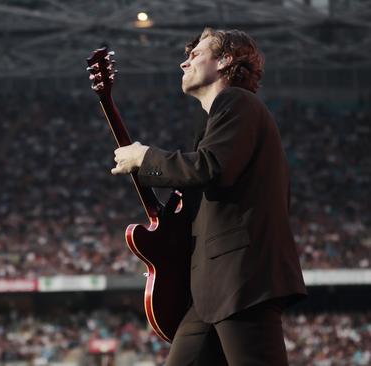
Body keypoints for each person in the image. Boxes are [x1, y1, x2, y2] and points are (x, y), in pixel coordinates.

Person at [111, 28, 307, 365]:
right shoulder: (218, 118)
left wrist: (146, 158)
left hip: (241, 281)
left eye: (195, 55)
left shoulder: (237, 102)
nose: (183, 63)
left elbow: (210, 167)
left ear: (225, 60)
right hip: (214, 288)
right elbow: (206, 189)